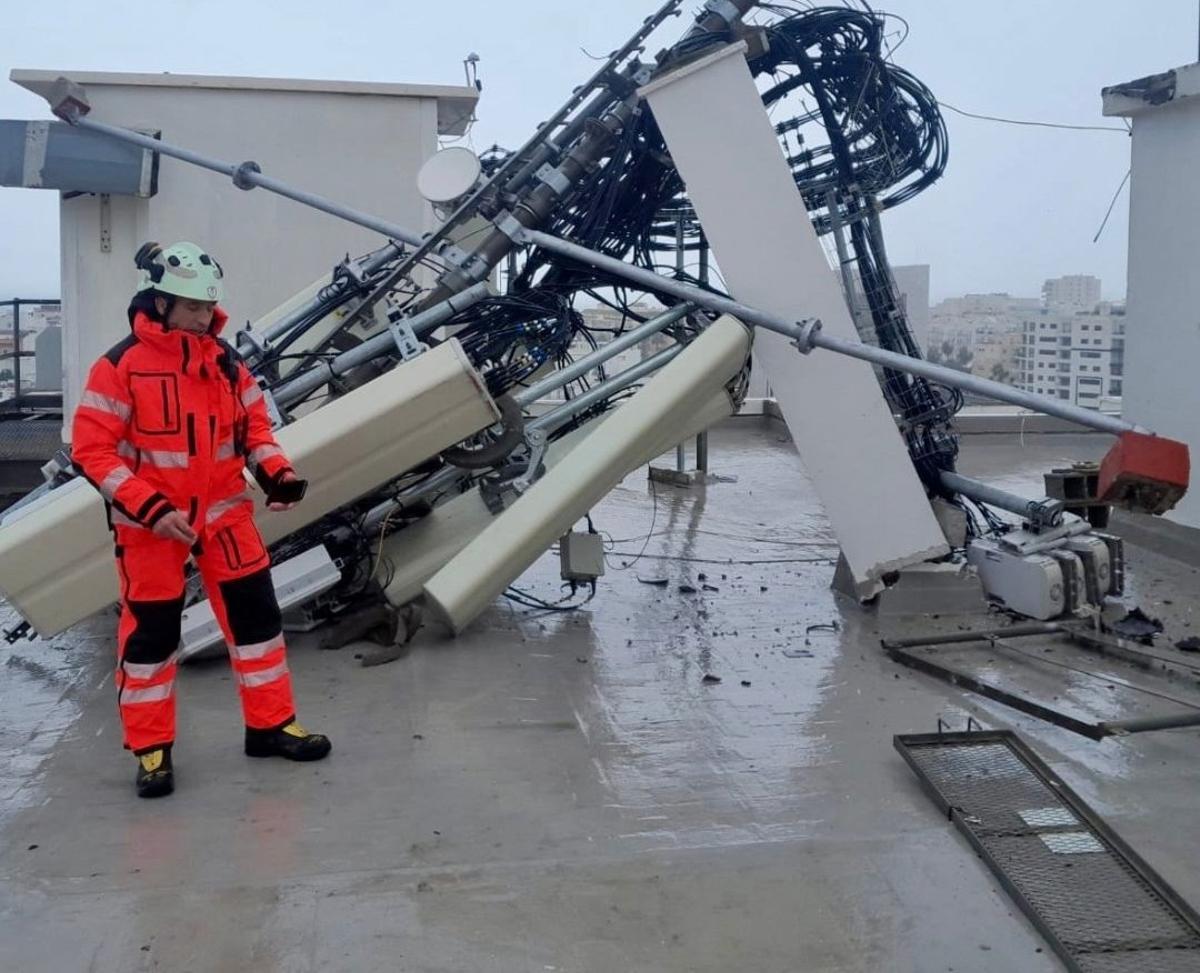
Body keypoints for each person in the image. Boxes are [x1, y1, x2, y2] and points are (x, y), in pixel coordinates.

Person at [71, 241, 331, 799]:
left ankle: (271, 726)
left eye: (207, 307)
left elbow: (255, 430)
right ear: (160, 302)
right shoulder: (119, 366)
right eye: (191, 307)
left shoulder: (227, 363)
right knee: (151, 638)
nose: (202, 317)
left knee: (258, 624)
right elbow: (91, 451)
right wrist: (150, 508)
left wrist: (278, 475)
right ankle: (152, 751)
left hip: (226, 517)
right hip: (151, 528)